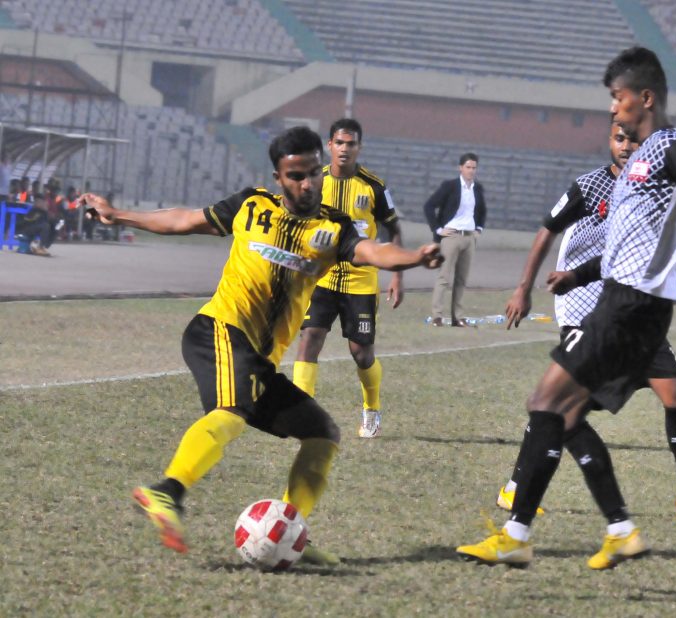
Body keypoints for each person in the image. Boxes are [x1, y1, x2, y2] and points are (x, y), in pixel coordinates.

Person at [457, 47, 676, 569]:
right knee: (563, 414)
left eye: (618, 100)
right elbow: (628, 245)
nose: (614, 111)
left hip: (633, 308)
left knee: (546, 403)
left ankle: (522, 535)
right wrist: (580, 273)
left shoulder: (675, 148)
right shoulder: (634, 164)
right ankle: (612, 530)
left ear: (645, 97)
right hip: (619, 301)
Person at [79, 126, 442, 560]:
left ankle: (289, 530)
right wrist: (117, 215)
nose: (307, 184)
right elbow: (182, 220)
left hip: (258, 361)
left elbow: (373, 252)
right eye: (296, 176)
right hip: (219, 330)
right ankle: (168, 491)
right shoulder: (250, 206)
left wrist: (414, 257)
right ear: (278, 176)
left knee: (322, 434)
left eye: (312, 174)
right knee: (232, 412)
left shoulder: (333, 227)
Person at [499, 119, 676, 526]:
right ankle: (515, 489)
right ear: (609, 141)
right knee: (561, 404)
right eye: (619, 138)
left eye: (634, 139)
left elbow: (653, 253)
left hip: (633, 309)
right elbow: (546, 231)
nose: (626, 145)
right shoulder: (589, 186)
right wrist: (523, 288)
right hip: (582, 309)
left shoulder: (651, 190)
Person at [293, 119, 403, 439]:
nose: (344, 149)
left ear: (359, 147)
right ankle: (303, 412)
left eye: (350, 144)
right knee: (310, 337)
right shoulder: (314, 182)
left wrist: (397, 275)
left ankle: (371, 409)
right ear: (329, 146)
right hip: (321, 278)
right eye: (339, 143)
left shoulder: (374, 187)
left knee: (361, 352)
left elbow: (394, 229)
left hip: (361, 281)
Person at [423, 153, 486, 327]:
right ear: (460, 168)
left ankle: (458, 316)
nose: (471, 171)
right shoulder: (450, 186)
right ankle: (437, 315)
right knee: (444, 276)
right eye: (468, 167)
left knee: (462, 279)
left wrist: (478, 229)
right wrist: (438, 229)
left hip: (469, 237)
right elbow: (429, 206)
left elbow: (482, 211)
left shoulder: (477, 188)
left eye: (474, 167)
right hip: (451, 236)